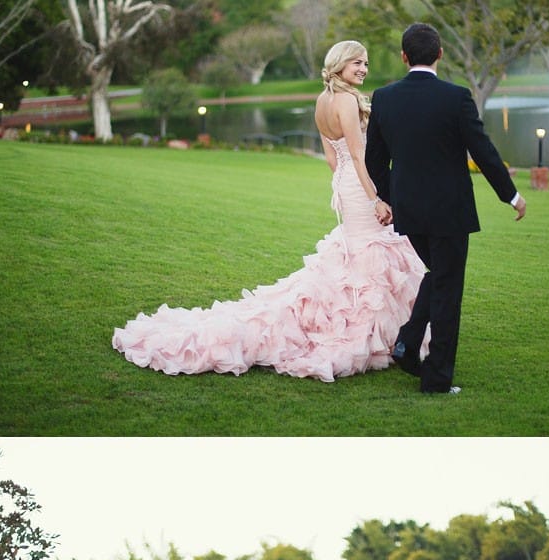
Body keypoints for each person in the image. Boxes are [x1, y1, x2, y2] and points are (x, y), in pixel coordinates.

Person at [112, 41, 424, 382]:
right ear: (339, 64)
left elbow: (333, 160)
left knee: (360, 254)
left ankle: (381, 331)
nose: (363, 68)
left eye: (365, 63)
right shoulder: (347, 100)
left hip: (345, 185)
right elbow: (358, 155)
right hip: (363, 187)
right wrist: (376, 198)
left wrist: (346, 187)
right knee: (370, 255)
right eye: (356, 63)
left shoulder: (322, 101)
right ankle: (372, 333)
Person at [366, 22, 527, 395]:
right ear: (440, 54)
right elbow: (483, 151)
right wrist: (511, 195)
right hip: (450, 213)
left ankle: (407, 343)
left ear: (404, 57)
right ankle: (436, 379)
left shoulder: (384, 98)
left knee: (439, 275)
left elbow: (374, 160)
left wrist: (391, 197)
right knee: (448, 289)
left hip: (409, 212)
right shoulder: (456, 97)